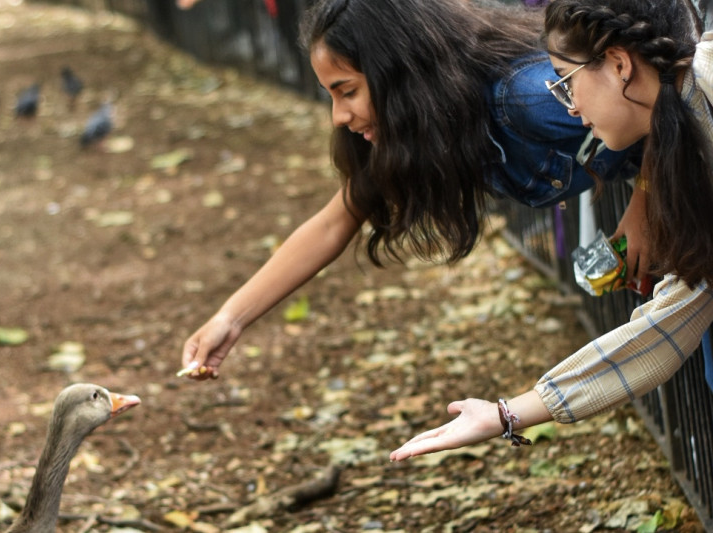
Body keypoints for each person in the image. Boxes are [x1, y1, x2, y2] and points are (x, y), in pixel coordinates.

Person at [179, 1, 646, 387]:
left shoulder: (527, 97)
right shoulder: (429, 129)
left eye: (347, 91)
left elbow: (665, 102)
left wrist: (646, 203)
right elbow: (333, 222)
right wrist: (230, 318)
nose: (338, 116)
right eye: (331, 96)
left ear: (398, 74)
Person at [390, 0, 713, 460]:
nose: (572, 107)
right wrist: (505, 414)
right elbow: (668, 324)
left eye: (566, 81)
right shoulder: (688, 140)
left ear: (619, 65)